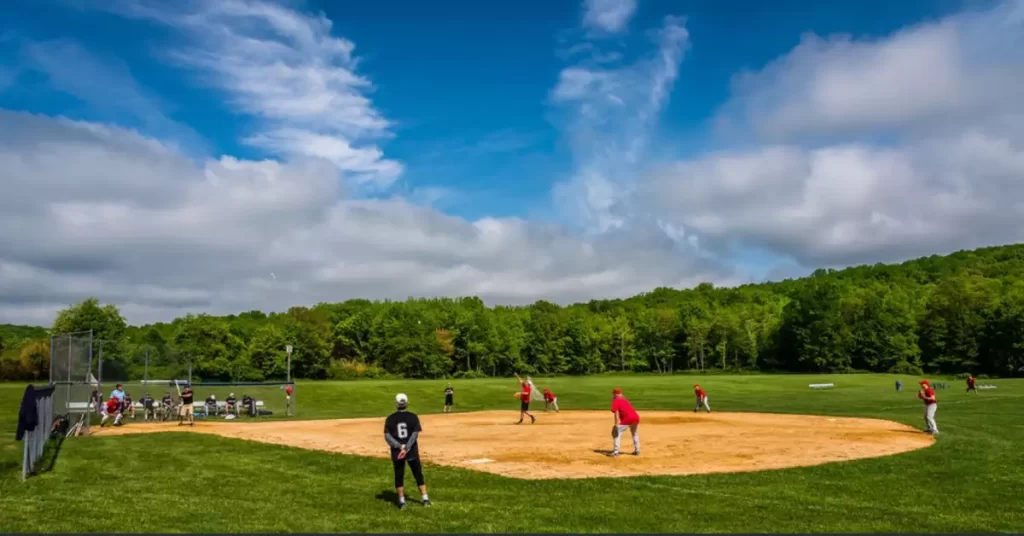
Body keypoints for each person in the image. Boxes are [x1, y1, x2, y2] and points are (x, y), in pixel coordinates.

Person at [383, 393, 430, 510]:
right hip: (411, 450)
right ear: (407, 403)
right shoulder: (413, 417)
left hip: (397, 452)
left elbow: (387, 436)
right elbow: (414, 435)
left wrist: (399, 447)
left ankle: (402, 501)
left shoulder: (390, 418)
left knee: (399, 475)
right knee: (417, 473)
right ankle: (425, 498)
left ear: (396, 404)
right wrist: (407, 448)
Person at [609, 388, 640, 457]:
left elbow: (616, 413)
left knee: (616, 434)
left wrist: (616, 424)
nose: (613, 395)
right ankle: (637, 450)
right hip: (636, 417)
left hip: (628, 419)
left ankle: (616, 452)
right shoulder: (625, 400)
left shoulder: (615, 400)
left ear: (615, 394)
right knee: (634, 433)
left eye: (613, 394)